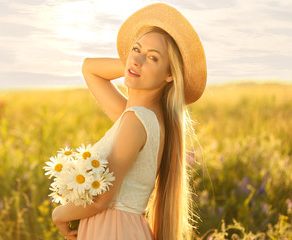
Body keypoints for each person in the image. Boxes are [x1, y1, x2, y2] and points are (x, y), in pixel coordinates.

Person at [51, 3, 207, 240]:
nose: (137, 60)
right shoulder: (140, 117)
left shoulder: (135, 121)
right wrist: (136, 63)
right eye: (136, 49)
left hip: (112, 230)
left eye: (153, 58)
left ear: (170, 74)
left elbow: (101, 200)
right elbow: (89, 68)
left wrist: (59, 214)